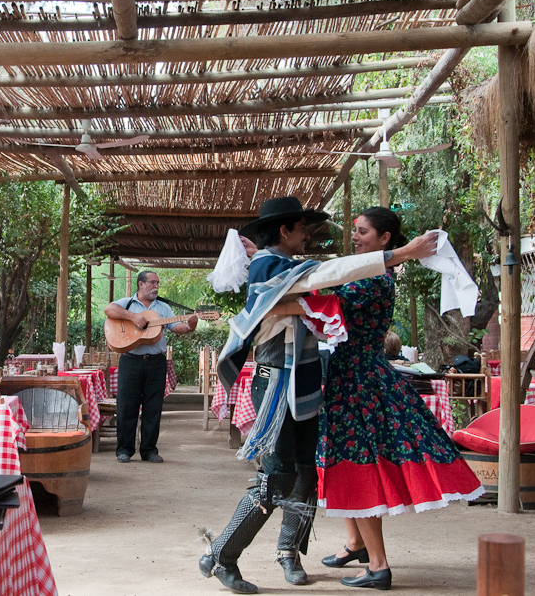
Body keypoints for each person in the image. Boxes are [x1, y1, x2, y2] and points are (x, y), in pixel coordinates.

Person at [200, 196, 437, 594]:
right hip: (274, 382)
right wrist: (399, 254)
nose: (309, 235)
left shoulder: (285, 265)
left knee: (308, 474)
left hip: (304, 381)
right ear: (284, 231)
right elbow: (326, 276)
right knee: (275, 479)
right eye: (303, 228)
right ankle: (221, 555)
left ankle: (288, 553)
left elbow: (318, 282)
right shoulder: (268, 266)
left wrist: (294, 303)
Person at [316, 207, 484, 590]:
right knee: (344, 455)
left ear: (385, 239)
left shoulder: (372, 279)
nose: (355, 236)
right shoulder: (369, 271)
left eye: (363, 232)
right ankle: (355, 543)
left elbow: (321, 293)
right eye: (355, 230)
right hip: (353, 375)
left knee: (358, 460)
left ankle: (378, 566)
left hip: (359, 381)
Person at [104, 270, 197, 464]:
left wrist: (190, 326)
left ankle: (149, 450)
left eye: (157, 283)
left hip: (156, 362)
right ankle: (124, 450)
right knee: (127, 406)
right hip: (130, 360)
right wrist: (133, 318)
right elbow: (108, 309)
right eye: (152, 282)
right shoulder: (127, 303)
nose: (156, 286)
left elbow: (176, 327)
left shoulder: (162, 308)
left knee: (153, 407)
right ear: (141, 284)